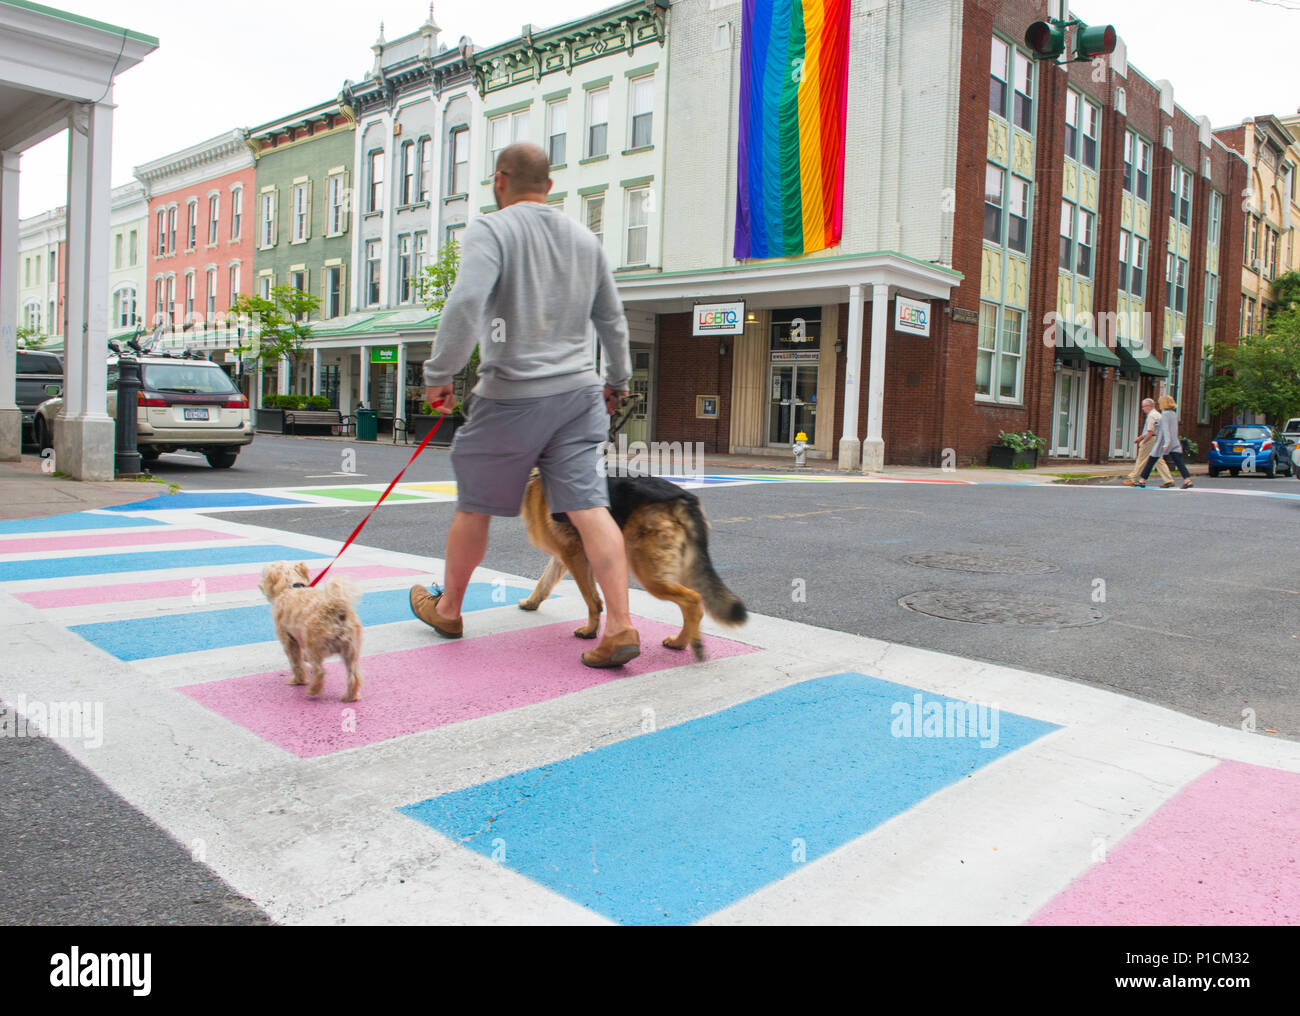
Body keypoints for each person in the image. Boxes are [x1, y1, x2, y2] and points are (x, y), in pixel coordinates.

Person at [408, 141, 640, 668]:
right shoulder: (586, 239)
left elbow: (466, 302)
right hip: (580, 395)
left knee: (475, 508)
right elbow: (612, 319)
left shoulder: (492, 229)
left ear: (499, 181)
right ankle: (622, 625)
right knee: (589, 508)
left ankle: (449, 610)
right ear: (550, 186)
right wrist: (617, 381)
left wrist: (439, 374)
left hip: (511, 394)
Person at [1133, 394, 1193, 489]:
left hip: (1163, 442)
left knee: (1151, 460)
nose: (1159, 404)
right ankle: (1187, 480)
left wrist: (1166, 443)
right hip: (1174, 442)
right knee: (1179, 462)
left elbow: (1166, 430)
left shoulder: (1164, 414)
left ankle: (1142, 480)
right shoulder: (1173, 414)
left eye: (1160, 402)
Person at [1123, 397, 1175, 487]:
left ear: (1148, 406)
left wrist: (1143, 441)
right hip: (1158, 439)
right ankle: (1168, 480)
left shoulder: (1151, 416)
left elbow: (1150, 431)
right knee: (1158, 460)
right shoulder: (1158, 415)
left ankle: (1132, 478)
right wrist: (1140, 437)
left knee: (1141, 459)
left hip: (1151, 440)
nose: (1143, 409)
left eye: (1143, 407)